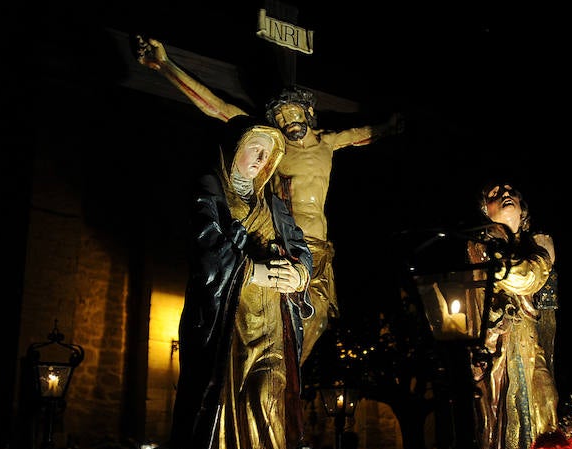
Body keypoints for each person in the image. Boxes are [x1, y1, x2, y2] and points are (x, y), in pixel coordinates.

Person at [133, 35, 403, 364]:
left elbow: (364, 134)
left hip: (320, 251)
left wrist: (391, 127)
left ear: (309, 112)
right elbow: (218, 108)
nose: (289, 123)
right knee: (281, 335)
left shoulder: (327, 143)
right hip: (286, 246)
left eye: (294, 115)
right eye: (282, 118)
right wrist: (165, 65)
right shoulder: (274, 146)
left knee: (314, 328)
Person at [170, 115, 314, 449]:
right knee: (227, 401)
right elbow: (205, 245)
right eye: (254, 147)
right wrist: (255, 271)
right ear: (233, 148)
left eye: (267, 153)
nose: (259, 158)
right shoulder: (209, 190)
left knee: (267, 398)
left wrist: (298, 274)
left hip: (269, 320)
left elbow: (300, 247)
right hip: (227, 322)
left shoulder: (273, 206)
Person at [467, 181, 559, 449]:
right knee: (495, 413)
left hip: (531, 344)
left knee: (541, 404)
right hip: (496, 349)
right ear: (485, 209)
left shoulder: (541, 243)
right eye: (493, 193)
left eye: (511, 191)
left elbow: (530, 276)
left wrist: (497, 259)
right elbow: (470, 305)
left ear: (523, 206)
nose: (505, 194)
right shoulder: (475, 246)